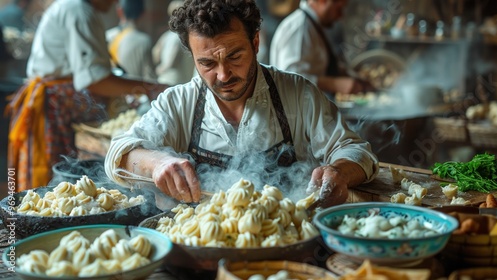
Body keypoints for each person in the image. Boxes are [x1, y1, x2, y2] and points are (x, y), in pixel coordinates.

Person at [105, 0, 379, 208]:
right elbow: (116, 154)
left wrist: (339, 172)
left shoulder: (297, 93)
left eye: (235, 56)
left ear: (255, 42)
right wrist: (156, 162)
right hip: (201, 246)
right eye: (208, 63)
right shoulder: (179, 103)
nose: (223, 75)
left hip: (284, 240)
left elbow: (356, 150)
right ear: (193, 57)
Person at [6, 0, 168, 191]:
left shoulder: (75, 8)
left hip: (54, 106)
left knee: (61, 182)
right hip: (52, 107)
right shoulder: (78, 10)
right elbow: (95, 81)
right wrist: (149, 88)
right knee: (51, 185)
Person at [269, 0, 369, 97]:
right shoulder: (300, 28)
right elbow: (290, 79)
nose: (340, 16)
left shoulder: (312, 26)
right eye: (339, 9)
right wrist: (335, 84)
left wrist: (347, 74)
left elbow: (319, 66)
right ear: (322, 1)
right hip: (295, 112)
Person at [106, 0, 156, 81]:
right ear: (143, 13)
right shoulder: (144, 41)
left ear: (119, 11)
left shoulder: (107, 36)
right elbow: (150, 78)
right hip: (135, 91)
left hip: (109, 90)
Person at [151, 0, 195, 86]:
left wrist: (160, 69)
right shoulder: (185, 35)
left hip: (173, 81)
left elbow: (158, 55)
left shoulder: (171, 36)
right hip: (176, 81)